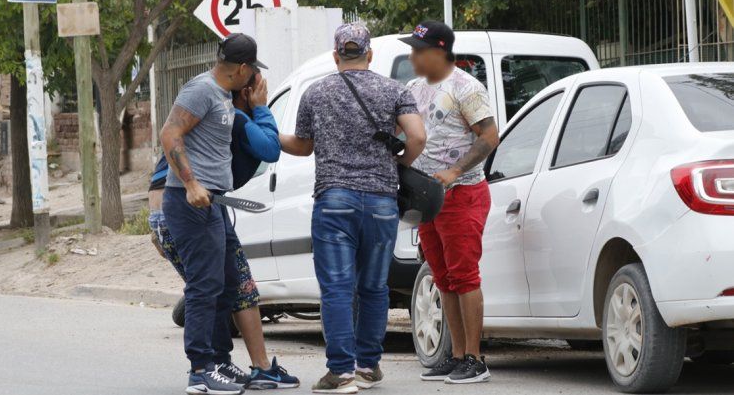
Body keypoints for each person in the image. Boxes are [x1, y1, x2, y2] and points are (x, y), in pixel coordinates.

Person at [280, 23, 426, 394]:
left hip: (334, 201)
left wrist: (267, 134)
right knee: (375, 287)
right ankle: (368, 365)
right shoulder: (394, 90)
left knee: (337, 288)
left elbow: (303, 146)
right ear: (369, 54)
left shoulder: (316, 92)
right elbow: (418, 136)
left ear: (335, 55)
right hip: (380, 201)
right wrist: (401, 165)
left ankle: (341, 372)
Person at [149, 81, 299, 390]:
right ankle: (206, 367)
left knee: (228, 286)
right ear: (246, 90)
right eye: (261, 89)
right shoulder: (231, 116)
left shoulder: (212, 117)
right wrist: (260, 108)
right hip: (187, 207)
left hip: (188, 208)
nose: (264, 94)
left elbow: (279, 142)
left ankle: (227, 364)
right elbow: (270, 148)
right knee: (212, 288)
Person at [160, 33, 268, 395]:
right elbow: (169, 133)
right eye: (252, 70)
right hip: (189, 202)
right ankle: (200, 370)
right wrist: (191, 183)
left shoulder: (222, 96)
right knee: (204, 285)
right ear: (241, 68)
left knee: (222, 282)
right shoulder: (201, 90)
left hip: (214, 202)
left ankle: (219, 361)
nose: (254, 77)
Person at [399, 21, 499, 385]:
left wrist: (456, 171)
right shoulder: (412, 88)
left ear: (439, 51)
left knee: (464, 275)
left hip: (462, 194)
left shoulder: (466, 87)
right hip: (427, 198)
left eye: (417, 50)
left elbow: (489, 135)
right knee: (443, 277)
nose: (412, 56)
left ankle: (475, 358)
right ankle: (456, 355)